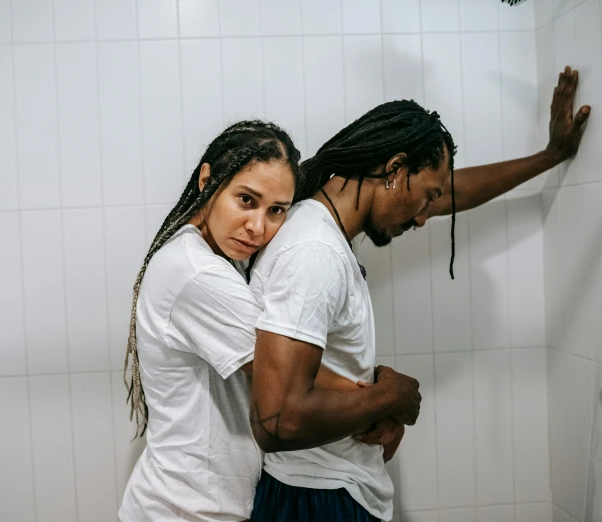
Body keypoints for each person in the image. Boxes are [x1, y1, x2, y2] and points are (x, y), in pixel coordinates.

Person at [247, 67, 590, 522]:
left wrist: (551, 156)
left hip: (325, 489)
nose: (426, 217)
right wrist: (391, 396)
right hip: (316, 497)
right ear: (394, 170)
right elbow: (278, 420)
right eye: (426, 197)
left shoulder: (319, 228)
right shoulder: (314, 253)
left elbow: (453, 191)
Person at [118, 120, 413, 522]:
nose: (258, 227)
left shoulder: (222, 259)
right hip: (181, 511)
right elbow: (289, 374)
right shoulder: (195, 273)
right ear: (208, 181)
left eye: (276, 210)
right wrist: (388, 397)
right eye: (246, 200)